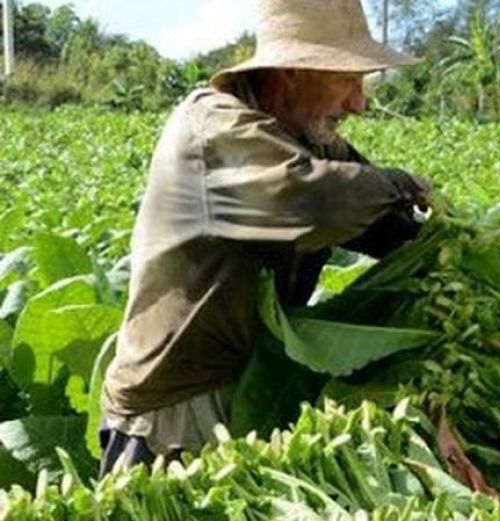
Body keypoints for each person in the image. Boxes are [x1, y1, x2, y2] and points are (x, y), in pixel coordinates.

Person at [97, 0, 432, 475]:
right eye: (347, 80)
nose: (359, 103)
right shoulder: (214, 127)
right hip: (174, 410)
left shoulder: (303, 137)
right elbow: (317, 202)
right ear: (293, 71)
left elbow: (381, 224)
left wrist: (457, 246)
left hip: (247, 391)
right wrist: (404, 184)